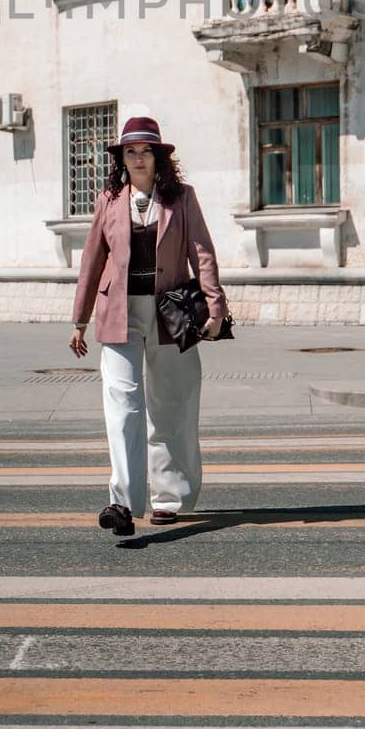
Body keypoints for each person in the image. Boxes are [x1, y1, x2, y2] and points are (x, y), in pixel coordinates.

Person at [69, 115, 228, 536]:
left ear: (158, 157)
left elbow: (202, 253)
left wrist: (215, 308)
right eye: (129, 151)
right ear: (121, 158)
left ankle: (168, 498)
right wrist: (79, 320)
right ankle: (121, 503)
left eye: (145, 151)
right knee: (122, 407)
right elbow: (92, 261)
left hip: (171, 314)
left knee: (170, 406)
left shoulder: (182, 198)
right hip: (117, 312)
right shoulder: (109, 199)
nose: (137, 158)